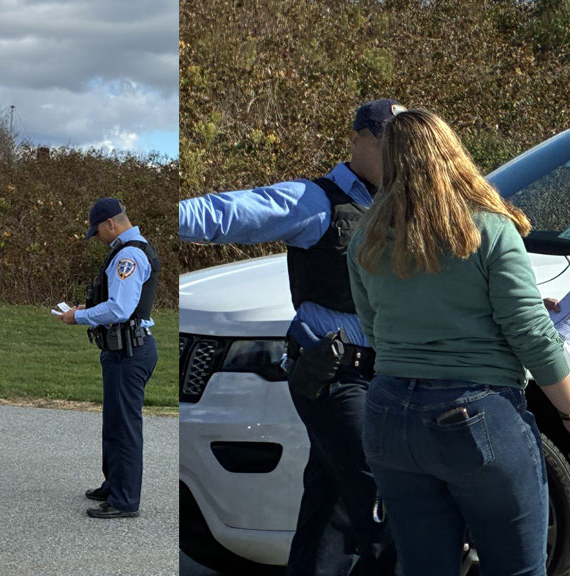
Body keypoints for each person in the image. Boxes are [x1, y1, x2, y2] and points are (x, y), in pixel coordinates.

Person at [346, 109, 570, 576]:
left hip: (388, 412)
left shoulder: (367, 238)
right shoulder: (489, 229)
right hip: (475, 412)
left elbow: (376, 328)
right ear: (452, 153)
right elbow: (530, 332)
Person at [179, 100, 404, 575]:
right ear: (356, 139)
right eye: (386, 140)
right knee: (388, 504)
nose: (396, 153)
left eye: (403, 142)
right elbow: (228, 213)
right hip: (333, 377)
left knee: (330, 514)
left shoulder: (401, 203)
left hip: (378, 378)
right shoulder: (315, 201)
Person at [60, 198, 159, 519]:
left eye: (97, 231)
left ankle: (125, 500)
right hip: (124, 348)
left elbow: (120, 308)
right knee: (114, 423)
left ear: (110, 224)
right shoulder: (131, 249)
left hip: (129, 351)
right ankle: (114, 484)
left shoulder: (128, 255)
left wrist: (79, 316)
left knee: (124, 428)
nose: (97, 237)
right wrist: (88, 309)